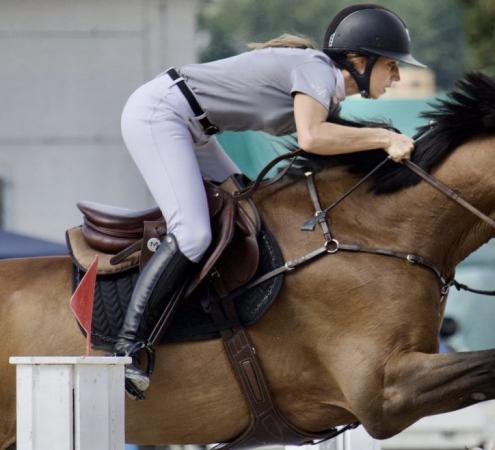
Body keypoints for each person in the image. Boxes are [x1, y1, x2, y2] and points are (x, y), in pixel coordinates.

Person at [114, 3, 426, 394]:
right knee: (193, 233)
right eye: (392, 66)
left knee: (249, 210)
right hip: (161, 114)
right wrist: (385, 137)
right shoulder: (317, 71)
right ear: (359, 61)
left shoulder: (328, 91)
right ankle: (128, 347)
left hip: (195, 127)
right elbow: (312, 138)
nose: (397, 76)